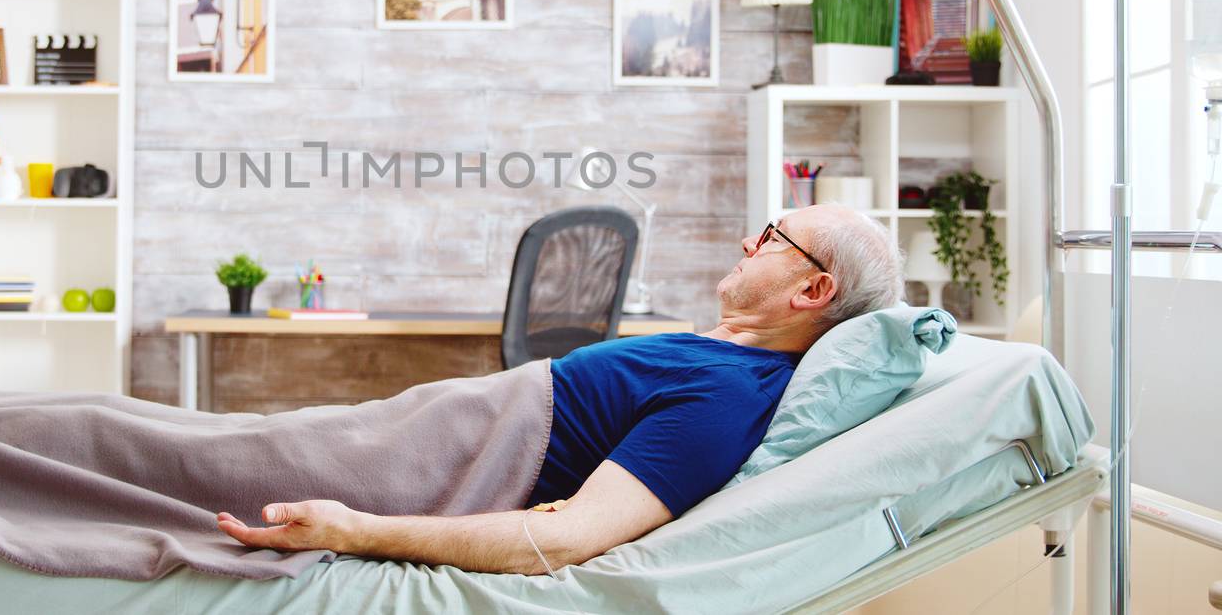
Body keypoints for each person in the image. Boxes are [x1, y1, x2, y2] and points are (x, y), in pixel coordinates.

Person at [216, 204, 905, 573]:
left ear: (813, 289)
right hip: (421, 425)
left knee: (159, 450)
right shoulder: (719, 352)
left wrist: (356, 531)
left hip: (447, 457)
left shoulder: (729, 397)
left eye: (773, 236)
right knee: (192, 437)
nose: (749, 243)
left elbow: (570, 537)